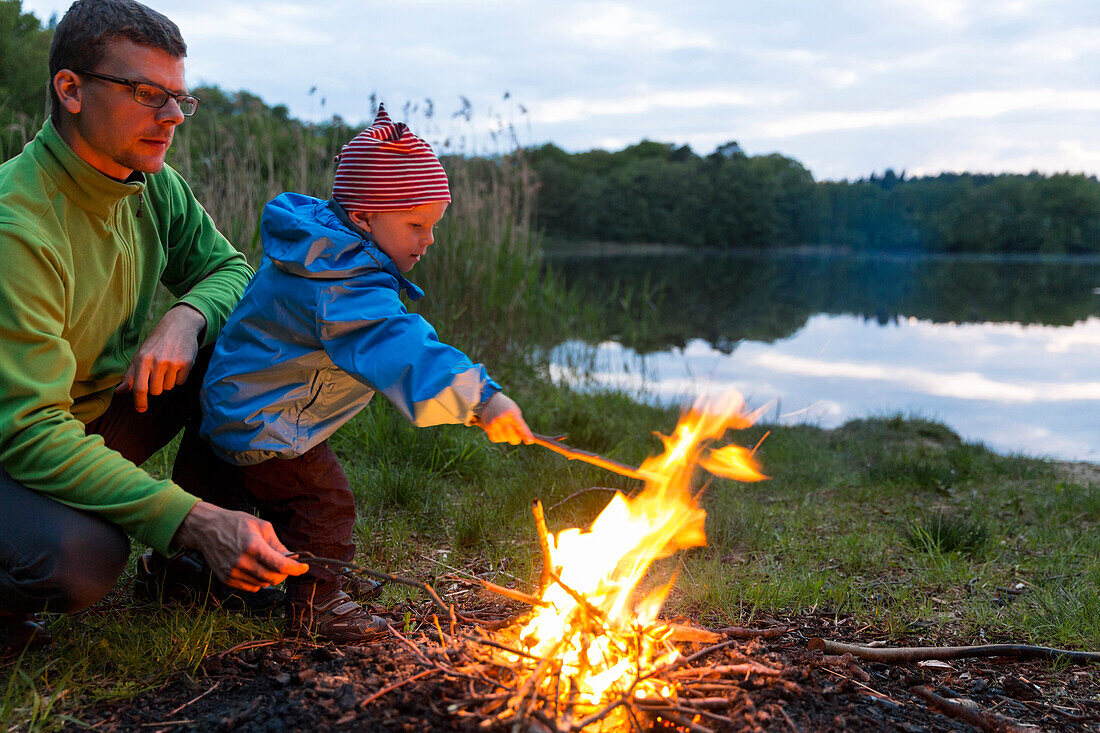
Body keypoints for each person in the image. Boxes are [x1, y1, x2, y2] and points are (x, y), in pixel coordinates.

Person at [0, 0, 307, 652]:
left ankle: (187, 576)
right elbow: (28, 432)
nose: (172, 116)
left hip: (85, 420)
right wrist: (190, 517)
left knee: (243, 346)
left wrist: (185, 316)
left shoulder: (153, 186)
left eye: (179, 98)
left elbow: (231, 269)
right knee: (83, 558)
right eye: (147, 94)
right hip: (15, 443)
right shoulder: (17, 225)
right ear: (72, 90)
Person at [200, 105, 533, 644]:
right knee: (324, 505)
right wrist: (480, 398)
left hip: (233, 407)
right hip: (265, 423)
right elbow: (402, 348)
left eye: (433, 226)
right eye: (415, 225)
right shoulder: (341, 285)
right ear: (363, 215)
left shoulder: (315, 249)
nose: (427, 241)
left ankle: (183, 575)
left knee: (228, 502)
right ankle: (317, 607)